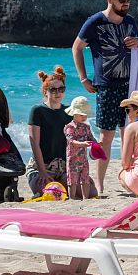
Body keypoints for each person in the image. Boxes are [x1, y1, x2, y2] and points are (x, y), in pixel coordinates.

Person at [72, 0, 138, 194]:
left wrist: (137, 43)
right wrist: (83, 78)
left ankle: (129, 179)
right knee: (105, 137)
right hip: (107, 86)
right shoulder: (95, 21)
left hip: (130, 85)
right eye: (121, 0)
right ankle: (100, 184)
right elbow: (77, 48)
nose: (126, 3)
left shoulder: (130, 21)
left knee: (129, 134)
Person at [26, 65, 97, 198]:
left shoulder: (69, 112)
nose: (57, 93)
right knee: (53, 194)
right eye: (53, 89)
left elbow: (81, 138)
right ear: (45, 91)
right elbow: (35, 144)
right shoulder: (37, 111)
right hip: (41, 167)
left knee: (91, 193)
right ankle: (42, 186)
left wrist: (95, 147)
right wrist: (42, 172)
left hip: (65, 167)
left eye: (61, 89)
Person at [64, 96, 95, 200]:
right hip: (72, 158)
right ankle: (72, 197)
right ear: (74, 113)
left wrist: (97, 143)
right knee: (72, 179)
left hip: (83, 159)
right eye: (81, 115)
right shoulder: (70, 127)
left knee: (85, 178)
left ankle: (85, 198)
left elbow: (91, 138)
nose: (84, 117)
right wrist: (83, 144)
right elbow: (71, 141)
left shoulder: (86, 127)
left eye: (85, 115)